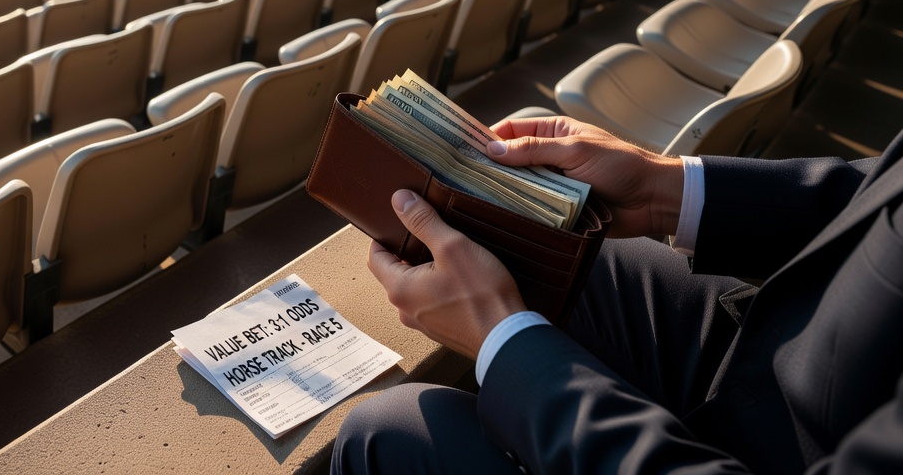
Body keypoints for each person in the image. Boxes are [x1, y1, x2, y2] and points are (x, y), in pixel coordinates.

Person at [333, 116, 903, 474]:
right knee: (571, 255)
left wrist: (502, 339)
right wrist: (663, 189)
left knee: (387, 433)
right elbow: (882, 188)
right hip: (801, 340)